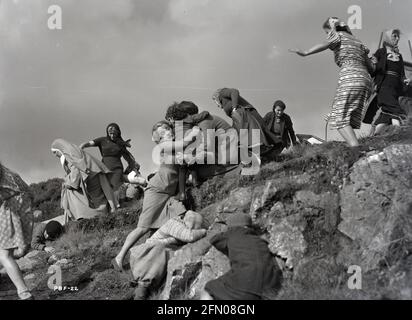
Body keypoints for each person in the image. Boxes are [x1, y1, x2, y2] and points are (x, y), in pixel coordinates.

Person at [113, 121, 200, 271]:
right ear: (159, 137)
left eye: (167, 128)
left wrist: (182, 191)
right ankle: (119, 257)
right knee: (143, 228)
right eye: (162, 131)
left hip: (169, 194)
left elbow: (181, 171)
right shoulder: (164, 146)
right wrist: (193, 133)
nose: (166, 131)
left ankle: (153, 253)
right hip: (157, 190)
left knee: (180, 217)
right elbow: (182, 144)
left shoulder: (177, 149)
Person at [290, 17, 373, 147]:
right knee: (343, 116)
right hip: (365, 79)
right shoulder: (357, 41)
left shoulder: (337, 35)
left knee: (339, 118)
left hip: (350, 76)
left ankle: (356, 148)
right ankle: (354, 146)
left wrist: (306, 52)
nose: (328, 35)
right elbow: (372, 67)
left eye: (327, 32)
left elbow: (326, 43)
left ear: (331, 28)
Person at [200, 214, 281, 300]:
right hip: (272, 284)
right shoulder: (259, 239)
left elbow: (214, 239)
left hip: (246, 283)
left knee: (208, 289)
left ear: (231, 226)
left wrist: (224, 232)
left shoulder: (231, 234)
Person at [129, 210, 206, 300]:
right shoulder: (174, 224)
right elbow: (190, 236)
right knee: (143, 288)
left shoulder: (181, 229)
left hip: (158, 264)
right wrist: (205, 231)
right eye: (192, 227)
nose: (192, 229)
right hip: (148, 257)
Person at [51, 139, 118, 222]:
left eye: (54, 152)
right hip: (95, 175)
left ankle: (85, 214)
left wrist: (68, 183)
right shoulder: (73, 151)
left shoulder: (69, 155)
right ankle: (102, 211)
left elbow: (76, 172)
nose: (55, 155)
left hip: (92, 177)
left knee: (69, 191)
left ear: (59, 149)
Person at [212, 88, 283, 161]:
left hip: (248, 113)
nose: (217, 105)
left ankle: (275, 146)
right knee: (260, 132)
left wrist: (234, 108)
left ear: (216, 98)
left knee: (261, 131)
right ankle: (268, 154)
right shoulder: (224, 102)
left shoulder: (222, 93)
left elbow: (234, 91)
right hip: (242, 117)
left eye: (215, 102)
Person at [363, 29, 411, 135]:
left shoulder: (399, 56)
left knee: (385, 116)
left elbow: (402, 74)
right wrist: (371, 60)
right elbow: (373, 67)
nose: (397, 39)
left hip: (395, 89)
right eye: (394, 36)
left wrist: (405, 80)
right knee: (397, 110)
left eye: (398, 37)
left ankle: (374, 135)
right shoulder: (381, 52)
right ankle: (399, 132)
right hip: (384, 87)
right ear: (388, 38)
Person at [79, 123, 146, 195]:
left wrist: (134, 167)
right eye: (110, 133)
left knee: (114, 189)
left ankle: (116, 204)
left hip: (117, 169)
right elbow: (89, 143)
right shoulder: (102, 140)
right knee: (102, 188)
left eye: (114, 134)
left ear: (118, 133)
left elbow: (128, 158)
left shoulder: (120, 144)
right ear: (107, 133)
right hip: (104, 168)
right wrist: (81, 147)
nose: (112, 136)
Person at [0, 163, 34, 300]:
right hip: (25, 203)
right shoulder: (7, 171)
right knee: (18, 250)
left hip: (10, 208)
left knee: (4, 254)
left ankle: (24, 293)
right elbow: (29, 191)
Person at [165, 102, 212, 201]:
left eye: (169, 119)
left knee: (182, 169)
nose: (170, 121)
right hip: (191, 143)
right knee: (192, 163)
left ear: (171, 117)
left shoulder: (172, 126)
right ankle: (195, 181)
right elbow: (201, 116)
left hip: (180, 146)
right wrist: (206, 113)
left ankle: (182, 193)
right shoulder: (189, 118)